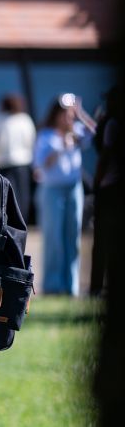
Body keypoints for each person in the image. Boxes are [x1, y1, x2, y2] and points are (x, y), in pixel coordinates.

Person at [33, 93, 96, 296]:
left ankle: (71, 286)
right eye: (65, 113)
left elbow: (96, 132)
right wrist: (61, 148)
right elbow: (39, 166)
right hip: (52, 190)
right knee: (54, 239)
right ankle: (52, 286)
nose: (68, 118)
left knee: (72, 237)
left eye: (70, 114)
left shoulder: (76, 131)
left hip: (73, 188)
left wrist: (81, 114)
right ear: (56, 114)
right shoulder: (46, 135)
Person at [91, 86, 122, 296]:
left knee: (102, 239)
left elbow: (105, 156)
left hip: (109, 187)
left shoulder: (112, 123)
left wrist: (97, 181)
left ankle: (97, 286)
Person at [0, 93, 36, 219]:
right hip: (23, 163)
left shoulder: (0, 119)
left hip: (4, 163)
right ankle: (22, 221)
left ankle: (9, 222)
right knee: (23, 196)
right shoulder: (25, 119)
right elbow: (31, 141)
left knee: (7, 196)